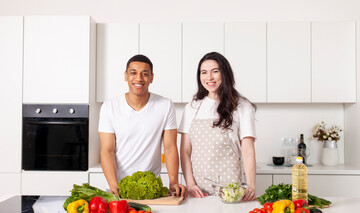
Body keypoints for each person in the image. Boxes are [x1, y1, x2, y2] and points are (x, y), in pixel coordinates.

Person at [98, 54, 187, 199]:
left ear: (151, 78)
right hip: (119, 188)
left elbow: (170, 147)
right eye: (133, 73)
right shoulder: (109, 107)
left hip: (151, 189)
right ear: (126, 76)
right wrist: (113, 185)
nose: (139, 78)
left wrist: (173, 182)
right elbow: (107, 151)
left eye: (144, 74)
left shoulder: (165, 105)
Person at [178, 52, 256, 201]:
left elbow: (248, 150)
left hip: (229, 189)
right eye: (204, 72)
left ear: (224, 73)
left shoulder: (242, 106)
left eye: (215, 71)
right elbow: (185, 151)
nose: (209, 78)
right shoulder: (192, 107)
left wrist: (251, 185)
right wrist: (190, 183)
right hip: (198, 191)